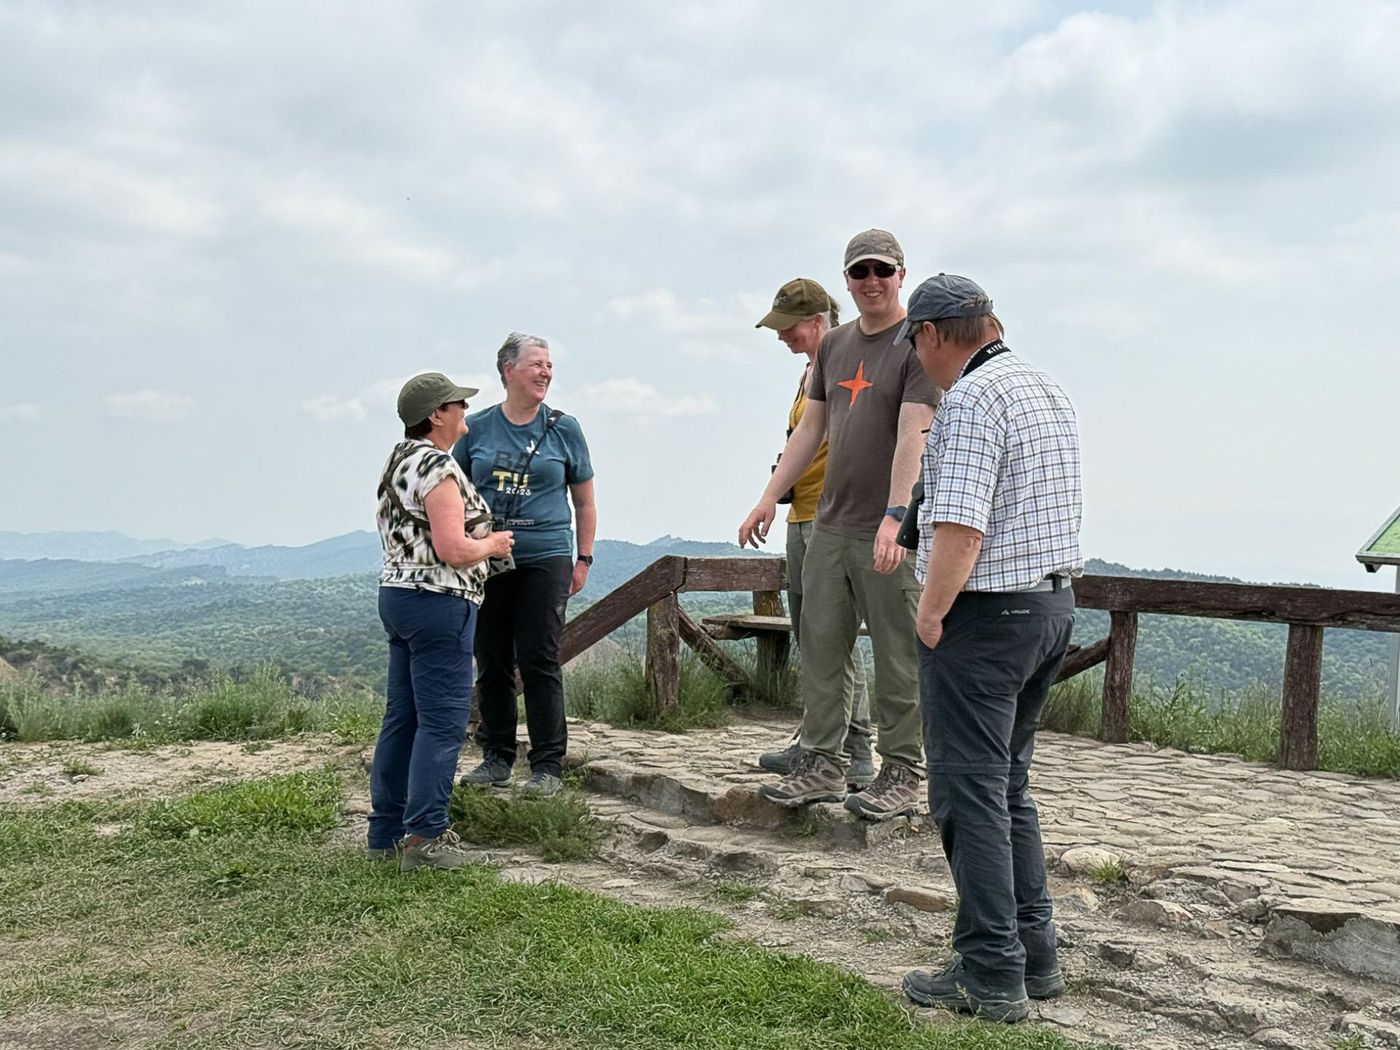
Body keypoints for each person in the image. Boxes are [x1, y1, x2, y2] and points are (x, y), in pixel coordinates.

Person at [895, 274, 1082, 1023]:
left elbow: (961, 528)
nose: (920, 359)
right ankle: (1034, 956)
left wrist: (931, 615)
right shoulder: (1044, 384)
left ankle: (988, 970)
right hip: (1050, 605)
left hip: (986, 615)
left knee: (966, 792)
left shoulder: (971, 399)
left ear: (934, 334)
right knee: (1007, 789)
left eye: (916, 343)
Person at [738, 230, 939, 821]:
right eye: (859, 273)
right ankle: (822, 766)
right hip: (830, 523)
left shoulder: (916, 344)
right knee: (823, 648)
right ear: (846, 282)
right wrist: (768, 498)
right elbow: (811, 430)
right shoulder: (835, 346)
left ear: (902, 274)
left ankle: (902, 769)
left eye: (881, 270)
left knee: (899, 656)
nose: (871, 281)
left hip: (889, 529)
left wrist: (896, 516)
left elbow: (915, 431)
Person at [370, 372, 514, 871]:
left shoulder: (399, 461)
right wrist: (493, 544)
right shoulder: (437, 467)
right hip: (440, 601)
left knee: (402, 719)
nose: (465, 412)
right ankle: (425, 840)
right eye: (458, 405)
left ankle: (384, 832)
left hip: (398, 596)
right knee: (441, 724)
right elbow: (454, 550)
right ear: (437, 415)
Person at [455, 333, 596, 798]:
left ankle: (548, 766)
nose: (546, 372)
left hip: (547, 556)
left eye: (550, 365)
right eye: (536, 364)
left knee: (538, 657)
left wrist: (584, 558)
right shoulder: (475, 429)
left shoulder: (564, 428)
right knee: (491, 660)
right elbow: (451, 494)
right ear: (508, 370)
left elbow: (584, 501)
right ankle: (496, 757)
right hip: (488, 561)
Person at [752, 277, 874, 790]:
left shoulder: (853, 366)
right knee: (814, 637)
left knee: (832, 637)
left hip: (836, 518)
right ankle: (817, 741)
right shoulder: (810, 373)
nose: (782, 336)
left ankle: (857, 748)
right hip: (802, 515)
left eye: (789, 326)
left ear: (819, 321)